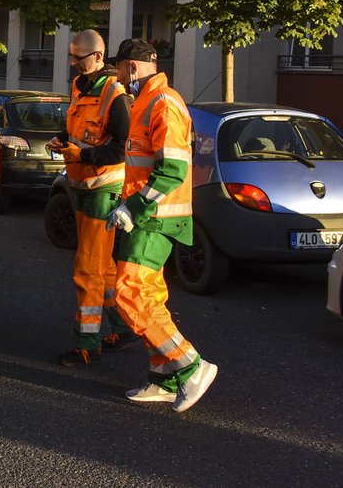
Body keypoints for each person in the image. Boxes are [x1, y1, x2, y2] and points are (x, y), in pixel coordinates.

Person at [106, 38, 217, 413]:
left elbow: (172, 170)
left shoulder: (163, 104)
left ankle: (189, 364)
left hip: (154, 218)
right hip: (148, 216)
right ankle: (164, 378)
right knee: (147, 297)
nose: (117, 76)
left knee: (129, 293)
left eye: (119, 69)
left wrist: (132, 207)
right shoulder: (148, 102)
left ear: (132, 68)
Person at [46, 30, 138, 367]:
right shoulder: (79, 87)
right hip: (82, 185)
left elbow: (121, 149)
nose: (72, 64)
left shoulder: (116, 95)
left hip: (103, 189)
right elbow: (73, 131)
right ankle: (122, 327)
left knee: (88, 268)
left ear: (99, 57)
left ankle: (87, 344)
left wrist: (80, 156)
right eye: (70, 57)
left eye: (78, 58)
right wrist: (59, 141)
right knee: (104, 267)